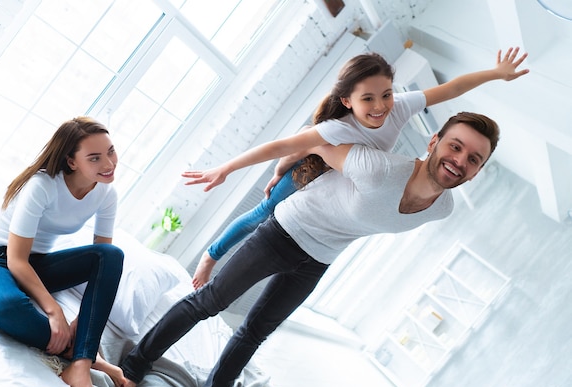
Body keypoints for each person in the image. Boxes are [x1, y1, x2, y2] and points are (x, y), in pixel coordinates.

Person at [121, 111, 503, 387]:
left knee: (255, 332)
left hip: (319, 259)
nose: (460, 161)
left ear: (479, 170)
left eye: (474, 159)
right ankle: (135, 367)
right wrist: (278, 169)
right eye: (455, 147)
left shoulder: (443, 208)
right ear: (434, 141)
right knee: (209, 302)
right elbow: (318, 140)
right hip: (285, 230)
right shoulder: (379, 169)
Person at [191, 46, 529, 289]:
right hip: (312, 169)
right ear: (348, 101)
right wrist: (233, 168)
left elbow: (451, 88)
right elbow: (286, 146)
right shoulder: (336, 128)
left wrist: (496, 74)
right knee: (265, 211)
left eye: (386, 94)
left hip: (347, 180)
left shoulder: (398, 106)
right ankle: (211, 255)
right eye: (368, 99)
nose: (380, 106)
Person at [0, 117, 126, 387]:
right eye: (95, 157)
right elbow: (15, 260)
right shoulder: (42, 186)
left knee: (110, 255)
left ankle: (81, 366)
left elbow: (101, 257)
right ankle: (83, 354)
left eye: (111, 151)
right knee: (7, 305)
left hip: (33, 263)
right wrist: (54, 310)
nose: (109, 163)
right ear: (71, 162)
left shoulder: (106, 194)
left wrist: (83, 319)